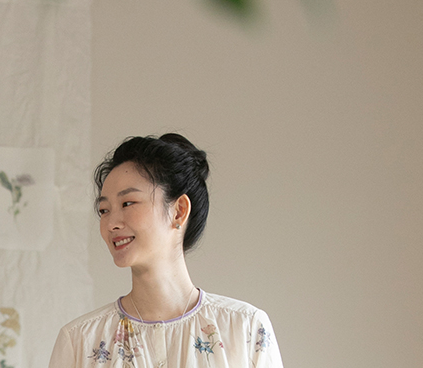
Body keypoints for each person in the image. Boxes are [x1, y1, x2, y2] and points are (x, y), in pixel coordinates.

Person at [48, 133, 283, 367]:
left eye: (127, 203)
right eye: (104, 210)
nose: (111, 224)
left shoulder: (245, 329)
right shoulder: (80, 341)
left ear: (179, 211)